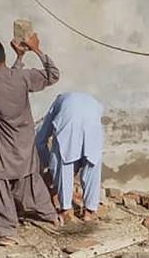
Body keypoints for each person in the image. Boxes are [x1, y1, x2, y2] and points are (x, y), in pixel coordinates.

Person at [0, 32, 61, 245]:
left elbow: (4, 79)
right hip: (25, 139)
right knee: (30, 178)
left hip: (5, 144)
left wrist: (20, 58)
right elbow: (53, 75)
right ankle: (50, 215)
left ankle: (7, 231)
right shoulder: (23, 78)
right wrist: (35, 50)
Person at [36, 92, 106, 223]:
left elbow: (40, 140)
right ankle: (89, 212)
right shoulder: (93, 101)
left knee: (63, 163)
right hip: (93, 124)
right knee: (92, 164)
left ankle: (65, 209)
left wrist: (49, 165)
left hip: (70, 122)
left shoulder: (58, 102)